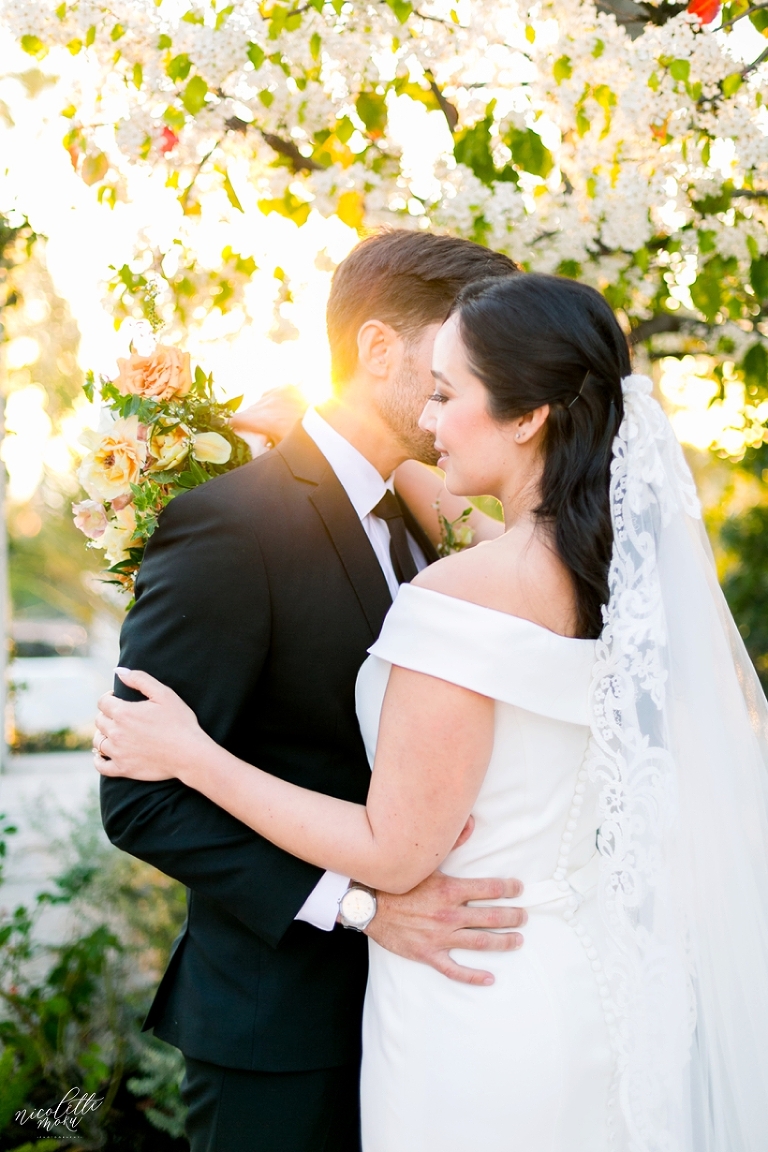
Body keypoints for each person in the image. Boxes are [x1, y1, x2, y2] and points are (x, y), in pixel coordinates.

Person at [96, 271, 768, 1151]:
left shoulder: (459, 590)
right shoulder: (613, 577)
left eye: (449, 394)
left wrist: (193, 755)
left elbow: (394, 850)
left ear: (528, 416)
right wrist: (300, 429)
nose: (429, 417)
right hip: (572, 983)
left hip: (469, 1007)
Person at [97, 228, 524, 1152]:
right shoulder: (231, 524)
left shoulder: (426, 520)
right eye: (462, 348)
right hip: (278, 1031)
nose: (480, 377)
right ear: (379, 349)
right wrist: (361, 907)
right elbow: (139, 801)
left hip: (423, 1023)